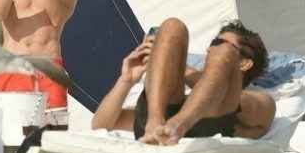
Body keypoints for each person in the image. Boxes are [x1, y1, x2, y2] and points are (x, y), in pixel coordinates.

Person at [92, 18, 277, 144]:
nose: (209, 50)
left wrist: (176, 66)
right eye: (213, 44)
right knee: (173, 26)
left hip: (205, 126)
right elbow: (101, 125)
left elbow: (226, 97)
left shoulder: (261, 103)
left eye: (218, 44)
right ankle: (156, 122)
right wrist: (126, 80)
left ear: (244, 63)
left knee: (224, 56)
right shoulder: (171, 100)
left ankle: (177, 125)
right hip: (156, 125)